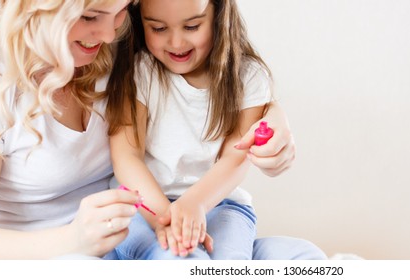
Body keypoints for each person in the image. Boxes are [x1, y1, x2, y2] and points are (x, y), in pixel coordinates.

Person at [0, 0, 324, 260]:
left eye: (122, 10)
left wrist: (271, 116)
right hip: (55, 253)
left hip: (141, 224)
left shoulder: (114, 47)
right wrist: (72, 240)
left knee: (308, 261)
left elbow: (202, 79)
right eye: (91, 16)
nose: (108, 34)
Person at [105, 0, 284, 260]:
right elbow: (125, 156)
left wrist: (195, 204)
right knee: (177, 257)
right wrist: (164, 219)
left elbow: (235, 157)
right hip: (145, 203)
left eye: (191, 26)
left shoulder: (250, 77)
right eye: (158, 28)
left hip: (220, 203)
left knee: (230, 262)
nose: (176, 43)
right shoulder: (141, 72)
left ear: (219, 16)